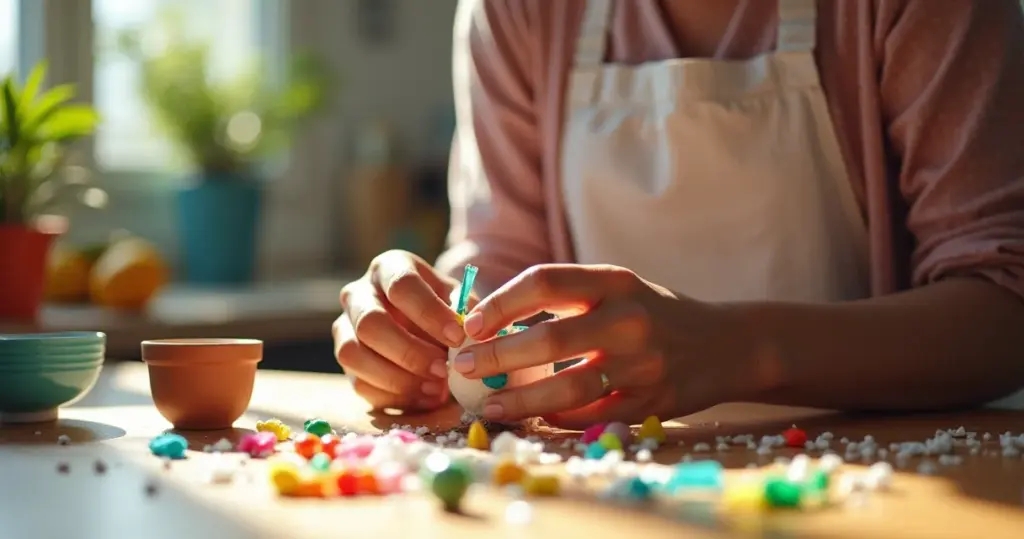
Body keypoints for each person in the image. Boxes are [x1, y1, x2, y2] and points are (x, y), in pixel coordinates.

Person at [333, 0, 1024, 430]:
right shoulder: (517, 11)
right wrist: (427, 336)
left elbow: (1004, 310)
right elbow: (502, 263)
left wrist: (739, 347)